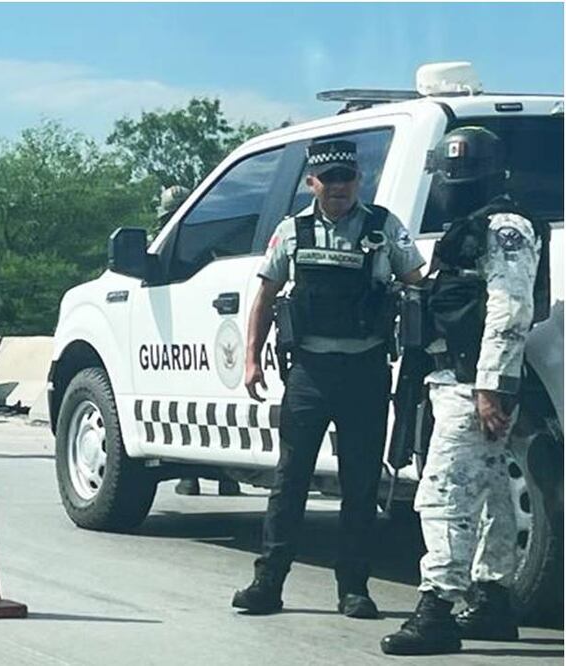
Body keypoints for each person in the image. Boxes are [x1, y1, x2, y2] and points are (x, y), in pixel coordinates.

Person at [232, 139, 425, 618]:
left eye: (347, 177)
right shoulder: (292, 231)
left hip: (365, 371)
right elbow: (265, 296)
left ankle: (354, 589)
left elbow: (418, 279)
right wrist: (251, 359)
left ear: (359, 180)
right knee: (290, 480)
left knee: (361, 485)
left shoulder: (383, 228)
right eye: (329, 178)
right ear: (312, 182)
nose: (339, 187)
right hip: (310, 374)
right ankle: (268, 583)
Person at [381, 127, 547, 655]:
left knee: (443, 495)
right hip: (458, 378)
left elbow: (510, 309)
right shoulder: (474, 227)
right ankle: (492, 599)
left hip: (472, 381)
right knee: (495, 490)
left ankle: (438, 608)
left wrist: (490, 385)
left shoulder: (504, 228)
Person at [155, 184, 244, 499]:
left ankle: (204, 476)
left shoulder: (176, 250)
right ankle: (217, 478)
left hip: (194, 338)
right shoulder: (210, 246)